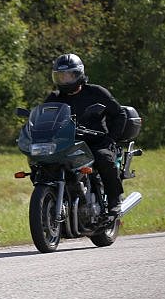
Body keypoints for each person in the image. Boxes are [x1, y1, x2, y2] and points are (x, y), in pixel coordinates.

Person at [45, 53, 127, 213]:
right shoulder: (54, 97)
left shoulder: (96, 92)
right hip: (67, 144)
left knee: (104, 158)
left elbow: (119, 114)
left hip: (96, 142)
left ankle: (114, 199)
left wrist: (112, 138)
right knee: (43, 165)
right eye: (60, 76)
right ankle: (52, 198)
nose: (64, 80)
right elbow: (44, 117)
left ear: (78, 74)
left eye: (68, 75)